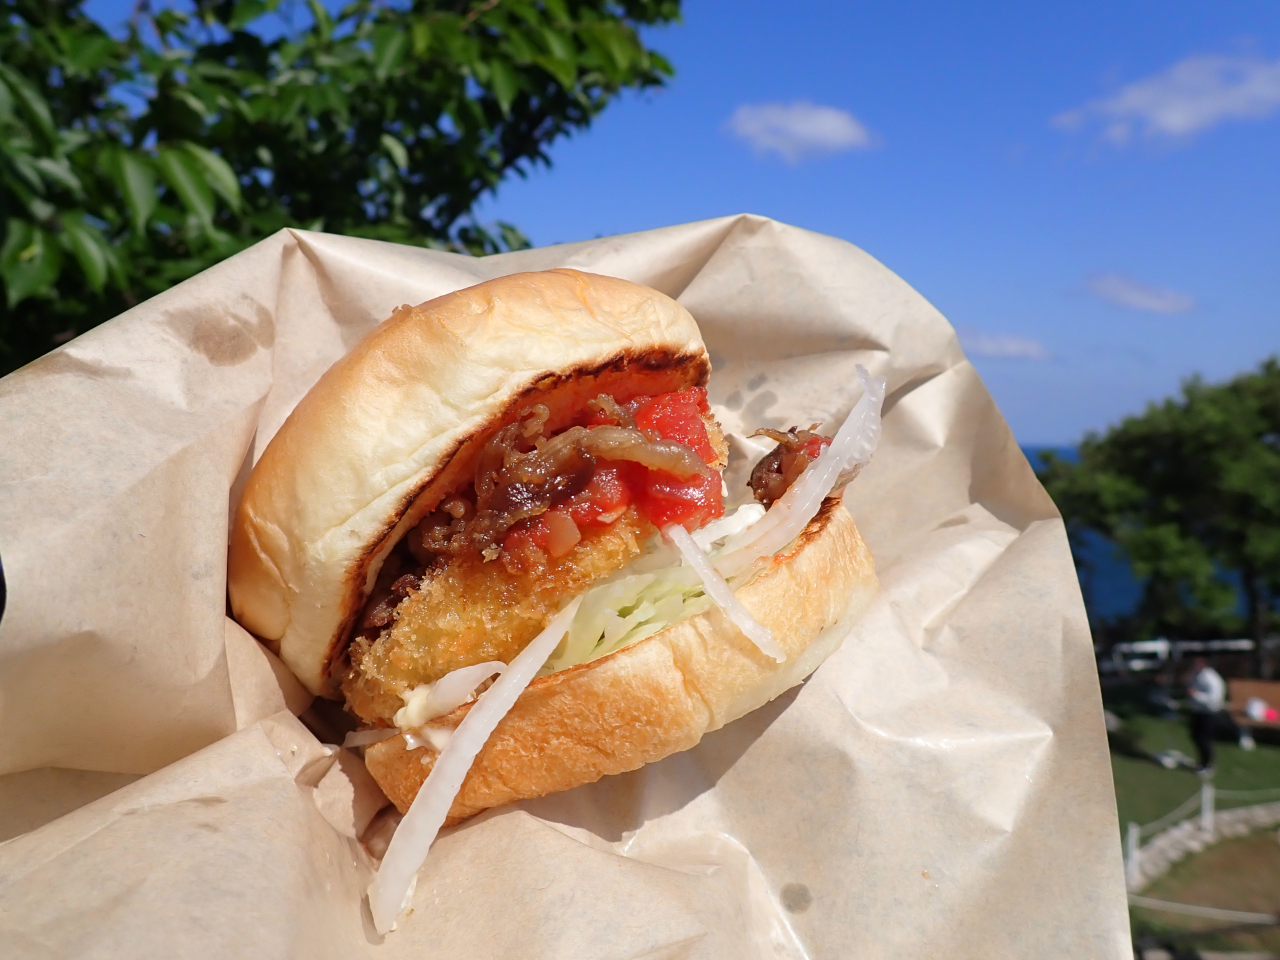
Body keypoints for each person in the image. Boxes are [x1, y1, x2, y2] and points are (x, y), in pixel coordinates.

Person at [1185, 656, 1226, 775]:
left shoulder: (1211, 678)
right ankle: (1202, 761)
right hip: (1197, 711)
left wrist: (1196, 695)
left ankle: (1208, 764)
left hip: (1208, 713)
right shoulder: (1197, 675)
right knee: (1195, 736)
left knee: (1204, 739)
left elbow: (1214, 699)